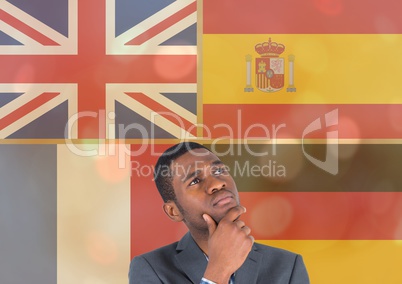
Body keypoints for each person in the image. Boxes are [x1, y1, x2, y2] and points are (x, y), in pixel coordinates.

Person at [129, 142, 309, 284]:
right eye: (195, 181)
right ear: (173, 211)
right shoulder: (150, 268)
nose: (217, 183)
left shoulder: (288, 266)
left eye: (219, 170)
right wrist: (217, 272)